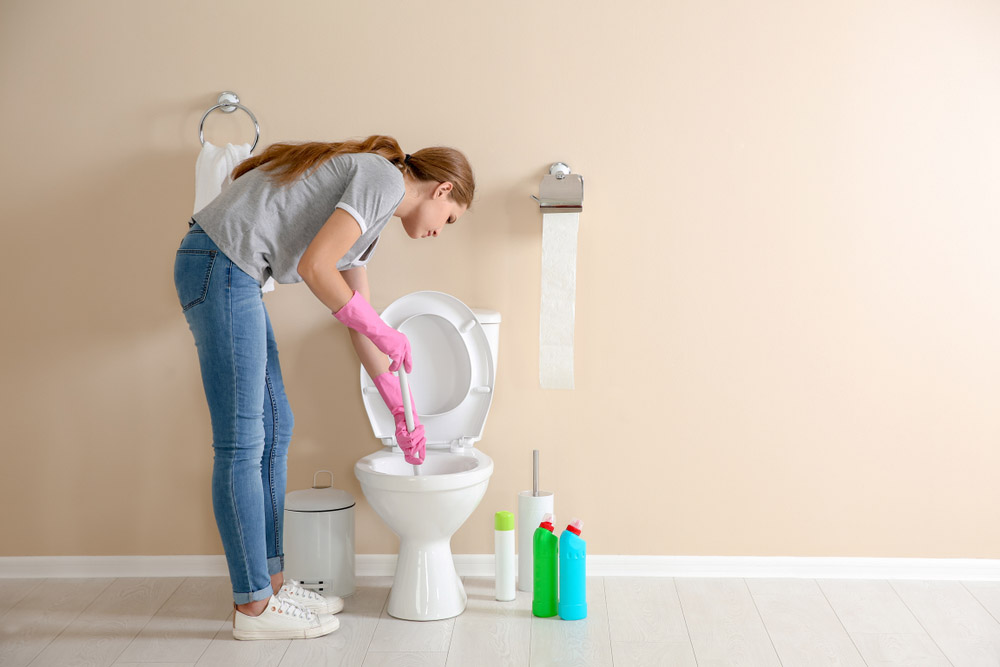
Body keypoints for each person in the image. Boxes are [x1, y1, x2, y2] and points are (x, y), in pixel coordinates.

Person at [173, 134, 474, 640]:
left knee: (277, 426)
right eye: (450, 220)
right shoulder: (381, 178)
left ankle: (270, 583)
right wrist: (383, 331)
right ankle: (252, 608)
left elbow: (357, 318)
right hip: (219, 263)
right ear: (441, 190)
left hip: (234, 272)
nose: (441, 232)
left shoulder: (372, 224)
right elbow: (317, 269)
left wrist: (401, 408)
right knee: (242, 442)